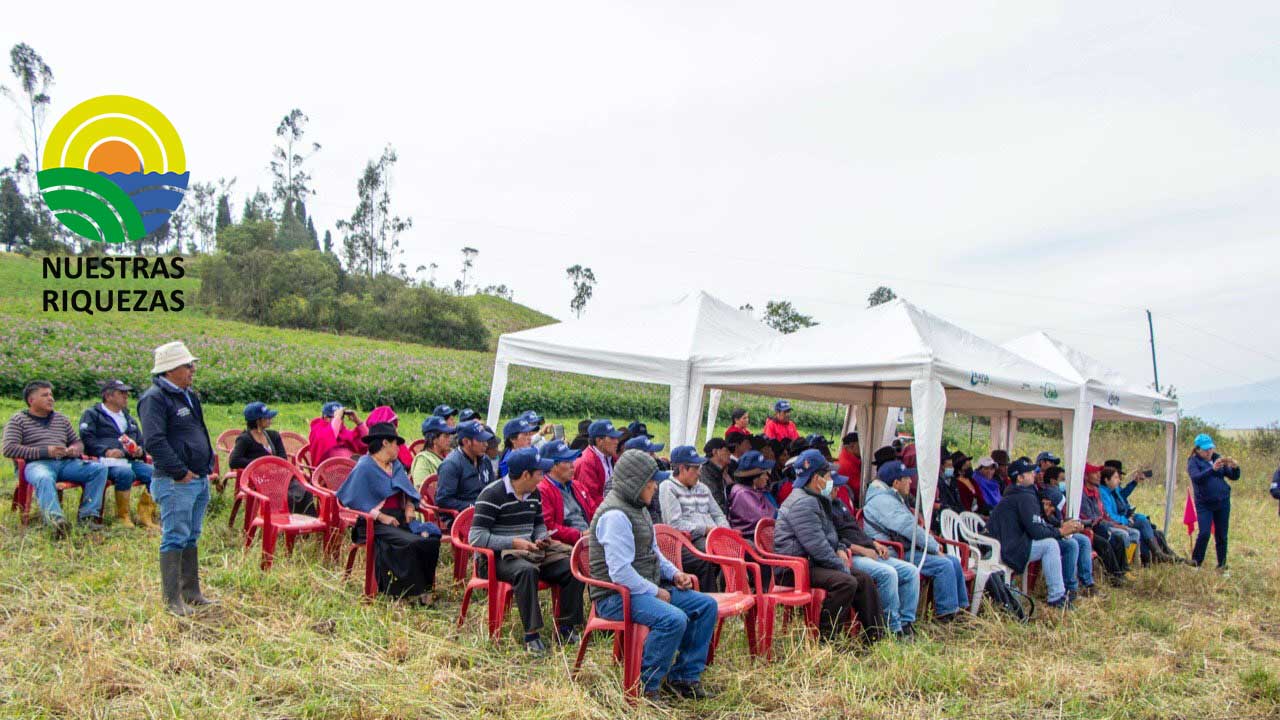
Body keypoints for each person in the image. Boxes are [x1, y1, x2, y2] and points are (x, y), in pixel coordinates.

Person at [589, 449, 717, 702]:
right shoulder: (615, 515)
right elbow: (620, 573)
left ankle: (684, 678)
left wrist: (675, 573)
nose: (656, 487)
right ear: (636, 483)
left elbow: (654, 552)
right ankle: (646, 686)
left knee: (706, 606)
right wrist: (656, 591)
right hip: (615, 597)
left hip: (641, 589)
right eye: (651, 482)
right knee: (673, 619)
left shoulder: (639, 508)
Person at [469, 447, 584, 654]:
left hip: (530, 552)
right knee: (526, 571)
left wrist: (541, 537)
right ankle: (532, 635)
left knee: (571, 567)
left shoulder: (534, 493)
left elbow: (538, 524)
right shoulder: (492, 494)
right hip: (498, 558)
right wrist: (513, 543)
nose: (542, 477)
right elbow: (476, 537)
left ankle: (567, 626)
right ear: (525, 475)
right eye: (539, 473)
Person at [137, 341, 217, 616]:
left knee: (191, 535)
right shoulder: (155, 398)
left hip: (198, 478)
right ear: (170, 369)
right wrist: (180, 471)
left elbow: (198, 431)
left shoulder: (188, 395)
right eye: (187, 365)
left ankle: (191, 592)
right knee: (174, 536)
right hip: (176, 481)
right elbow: (154, 441)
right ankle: (172, 601)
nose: (193, 369)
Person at [773, 449, 886, 640]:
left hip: (812, 562)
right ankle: (827, 639)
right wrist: (841, 565)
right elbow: (817, 546)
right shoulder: (803, 503)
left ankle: (875, 636)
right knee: (846, 582)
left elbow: (831, 535)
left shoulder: (816, 499)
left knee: (864, 579)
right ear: (816, 479)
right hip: (795, 569)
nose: (830, 480)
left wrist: (840, 548)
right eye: (827, 476)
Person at [336, 422, 441, 605]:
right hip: (374, 523)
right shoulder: (365, 466)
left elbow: (408, 492)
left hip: (399, 519)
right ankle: (408, 593)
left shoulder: (395, 466)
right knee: (411, 542)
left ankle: (425, 589)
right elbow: (351, 498)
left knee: (430, 538)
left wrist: (409, 506)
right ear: (385, 443)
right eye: (395, 443)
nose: (398, 448)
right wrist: (381, 516)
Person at [863, 460, 970, 622]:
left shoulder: (892, 497)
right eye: (906, 478)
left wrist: (931, 545)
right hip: (894, 552)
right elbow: (909, 528)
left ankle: (961, 610)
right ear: (896, 483)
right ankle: (946, 615)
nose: (910, 481)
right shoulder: (883, 501)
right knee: (944, 565)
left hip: (905, 547)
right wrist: (933, 547)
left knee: (953, 561)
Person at [3, 380, 109, 536]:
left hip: (65, 463)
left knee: (98, 469)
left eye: (51, 395)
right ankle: (56, 522)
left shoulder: (61, 419)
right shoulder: (18, 420)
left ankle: (88, 517)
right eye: (45, 395)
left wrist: (74, 449)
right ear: (31, 400)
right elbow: (9, 449)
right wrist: (45, 452)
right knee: (44, 477)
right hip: (36, 464)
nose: (51, 398)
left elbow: (77, 441)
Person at [827, 472, 920, 639]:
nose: (837, 490)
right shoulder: (824, 508)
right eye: (834, 487)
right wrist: (863, 550)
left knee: (911, 571)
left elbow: (857, 531)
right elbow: (835, 541)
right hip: (851, 555)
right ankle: (892, 628)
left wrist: (874, 543)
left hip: (868, 550)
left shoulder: (839, 504)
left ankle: (906, 623)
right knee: (888, 573)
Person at [986, 460, 1081, 609]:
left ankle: (1066, 591)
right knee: (1050, 545)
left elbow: (1037, 525)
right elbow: (1036, 532)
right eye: (1030, 472)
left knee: (1062, 543)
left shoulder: (1017, 493)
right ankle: (1057, 598)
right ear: (1020, 478)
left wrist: (1058, 527)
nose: (1034, 474)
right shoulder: (1024, 496)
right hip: (1009, 549)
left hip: (1006, 545)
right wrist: (1061, 531)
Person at [78, 379, 157, 529]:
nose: (126, 396)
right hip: (104, 462)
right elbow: (87, 439)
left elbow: (141, 441)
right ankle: (122, 516)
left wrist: (140, 451)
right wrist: (106, 451)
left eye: (126, 393)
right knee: (124, 473)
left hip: (129, 460)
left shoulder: (128, 418)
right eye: (121, 393)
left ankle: (145, 516)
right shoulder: (93, 414)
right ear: (108, 396)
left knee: (156, 474)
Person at [659, 445, 730, 593]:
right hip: (691, 539)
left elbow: (718, 514)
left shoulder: (702, 488)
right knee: (720, 554)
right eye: (696, 468)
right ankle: (715, 599)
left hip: (714, 535)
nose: (699, 472)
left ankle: (746, 593)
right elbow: (674, 524)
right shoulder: (668, 487)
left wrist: (724, 530)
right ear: (682, 468)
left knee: (745, 549)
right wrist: (706, 530)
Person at [229, 402, 315, 515]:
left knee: (305, 492)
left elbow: (282, 458)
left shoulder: (273, 436)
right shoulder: (245, 439)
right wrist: (260, 464)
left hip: (278, 476)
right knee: (285, 496)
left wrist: (272, 467)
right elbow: (234, 461)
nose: (270, 419)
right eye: (267, 417)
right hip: (260, 479)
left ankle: (307, 522)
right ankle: (282, 520)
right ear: (258, 421)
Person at [1187, 433, 1239, 570]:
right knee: (1204, 533)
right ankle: (1196, 563)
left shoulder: (1217, 458)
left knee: (1222, 534)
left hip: (1222, 502)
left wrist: (1235, 468)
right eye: (1206, 449)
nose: (1209, 451)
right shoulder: (1193, 462)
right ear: (1198, 449)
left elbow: (1234, 477)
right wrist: (1212, 469)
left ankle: (1222, 565)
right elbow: (1196, 478)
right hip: (1204, 504)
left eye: (1210, 448)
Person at [1099, 466, 1168, 564]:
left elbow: (1122, 496)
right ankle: (1155, 555)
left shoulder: (1113, 490)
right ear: (1106, 480)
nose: (1119, 480)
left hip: (1124, 517)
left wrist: (1134, 482)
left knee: (1150, 528)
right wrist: (1126, 520)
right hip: (1116, 522)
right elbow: (1109, 516)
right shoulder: (1104, 493)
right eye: (1116, 477)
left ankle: (1156, 555)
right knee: (1141, 523)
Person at [1078, 465, 1131, 584]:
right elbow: (1091, 518)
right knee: (1105, 543)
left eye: (1099, 473)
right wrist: (1113, 525)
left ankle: (1122, 572)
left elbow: (1102, 515)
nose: (1099, 475)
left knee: (1118, 539)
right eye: (1095, 473)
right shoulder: (1081, 494)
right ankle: (1115, 576)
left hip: (1100, 525)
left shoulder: (1096, 491)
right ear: (1086, 476)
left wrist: (1114, 524)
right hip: (1087, 528)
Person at [537, 439, 596, 544]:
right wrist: (580, 535)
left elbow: (594, 510)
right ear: (552, 466)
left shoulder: (577, 485)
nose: (572, 465)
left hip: (590, 538)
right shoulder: (542, 490)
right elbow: (548, 526)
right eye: (567, 461)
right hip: (568, 545)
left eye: (572, 460)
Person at [435, 420, 496, 513]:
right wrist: (473, 506)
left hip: (486, 511)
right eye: (481, 441)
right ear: (466, 442)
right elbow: (443, 500)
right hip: (462, 515)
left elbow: (493, 488)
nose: (486, 444)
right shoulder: (451, 464)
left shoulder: (485, 460)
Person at [727, 450, 776, 541]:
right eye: (764, 474)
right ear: (754, 478)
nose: (767, 477)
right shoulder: (741, 493)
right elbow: (763, 518)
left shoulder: (758, 490)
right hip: (751, 539)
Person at [573, 419, 623, 509]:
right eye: (612, 438)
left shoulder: (612, 457)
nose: (617, 441)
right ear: (599, 440)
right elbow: (592, 501)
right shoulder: (586, 463)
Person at [409, 416, 456, 485]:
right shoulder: (423, 461)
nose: (449, 439)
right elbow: (421, 489)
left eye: (449, 436)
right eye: (446, 436)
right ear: (434, 439)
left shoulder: (452, 455)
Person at [698, 437, 732, 513]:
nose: (730, 454)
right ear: (715, 452)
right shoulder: (705, 471)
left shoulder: (723, 470)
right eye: (726, 450)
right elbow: (715, 501)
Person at [836, 432, 862, 506]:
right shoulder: (847, 464)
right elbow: (859, 491)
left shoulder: (848, 459)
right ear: (852, 446)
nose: (862, 448)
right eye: (860, 445)